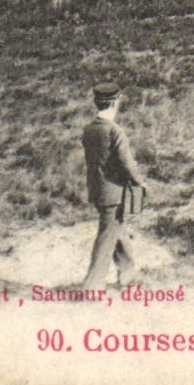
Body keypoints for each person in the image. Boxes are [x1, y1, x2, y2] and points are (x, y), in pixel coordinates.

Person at [80, 82, 146, 288]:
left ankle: (129, 273)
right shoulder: (114, 131)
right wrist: (140, 182)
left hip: (97, 190)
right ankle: (92, 285)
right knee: (107, 236)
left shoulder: (89, 130)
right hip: (114, 193)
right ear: (114, 103)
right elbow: (126, 163)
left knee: (117, 229)